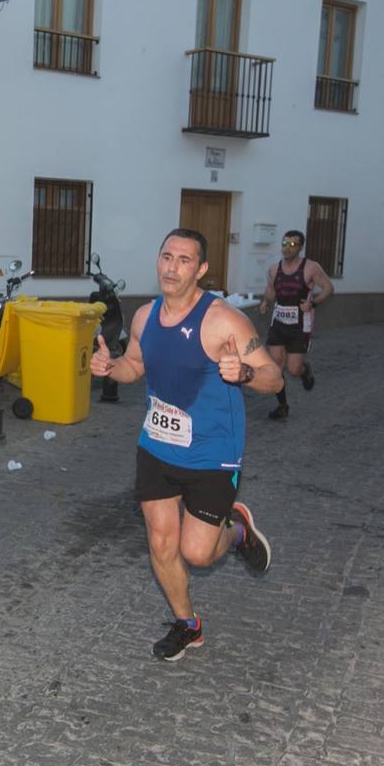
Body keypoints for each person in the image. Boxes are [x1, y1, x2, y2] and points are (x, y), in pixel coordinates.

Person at [90, 229, 283, 661]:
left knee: (196, 553)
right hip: (157, 447)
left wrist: (245, 375)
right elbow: (135, 366)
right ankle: (188, 625)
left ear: (201, 270)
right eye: (166, 257)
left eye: (183, 260)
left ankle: (236, 532)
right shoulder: (144, 317)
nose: (172, 267)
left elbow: (275, 378)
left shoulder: (223, 321)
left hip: (213, 455)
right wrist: (109, 367)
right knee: (161, 544)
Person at [256, 230, 334, 420]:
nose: (287, 248)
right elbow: (270, 291)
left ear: (300, 247)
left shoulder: (311, 268)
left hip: (300, 324)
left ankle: (304, 370)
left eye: (292, 245)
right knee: (276, 367)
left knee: (293, 369)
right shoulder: (274, 269)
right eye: (285, 243)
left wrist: (313, 303)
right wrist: (265, 302)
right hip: (279, 321)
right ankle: (282, 406)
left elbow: (329, 288)